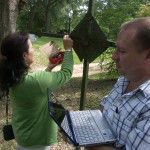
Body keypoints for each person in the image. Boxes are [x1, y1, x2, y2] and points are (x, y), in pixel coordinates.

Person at [0, 32, 73, 150]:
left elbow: (34, 86)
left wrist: (49, 68)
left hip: (24, 136)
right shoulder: (35, 81)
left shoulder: (13, 76)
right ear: (24, 55)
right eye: (31, 47)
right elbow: (66, 74)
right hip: (37, 143)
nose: (33, 50)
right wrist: (68, 49)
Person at [86, 17, 150, 150]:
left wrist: (85, 138)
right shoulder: (124, 79)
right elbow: (103, 110)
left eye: (122, 51)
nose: (114, 56)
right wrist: (80, 122)